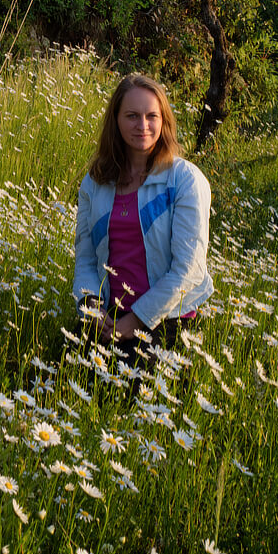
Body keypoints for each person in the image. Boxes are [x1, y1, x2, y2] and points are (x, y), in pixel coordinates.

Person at [72, 73, 213, 364]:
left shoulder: (184, 180)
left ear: (164, 121)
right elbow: (85, 256)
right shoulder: (95, 182)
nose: (143, 125)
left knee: (131, 398)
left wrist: (135, 321)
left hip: (165, 320)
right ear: (116, 120)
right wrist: (91, 306)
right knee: (58, 386)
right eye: (132, 116)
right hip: (106, 318)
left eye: (152, 115)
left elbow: (189, 269)